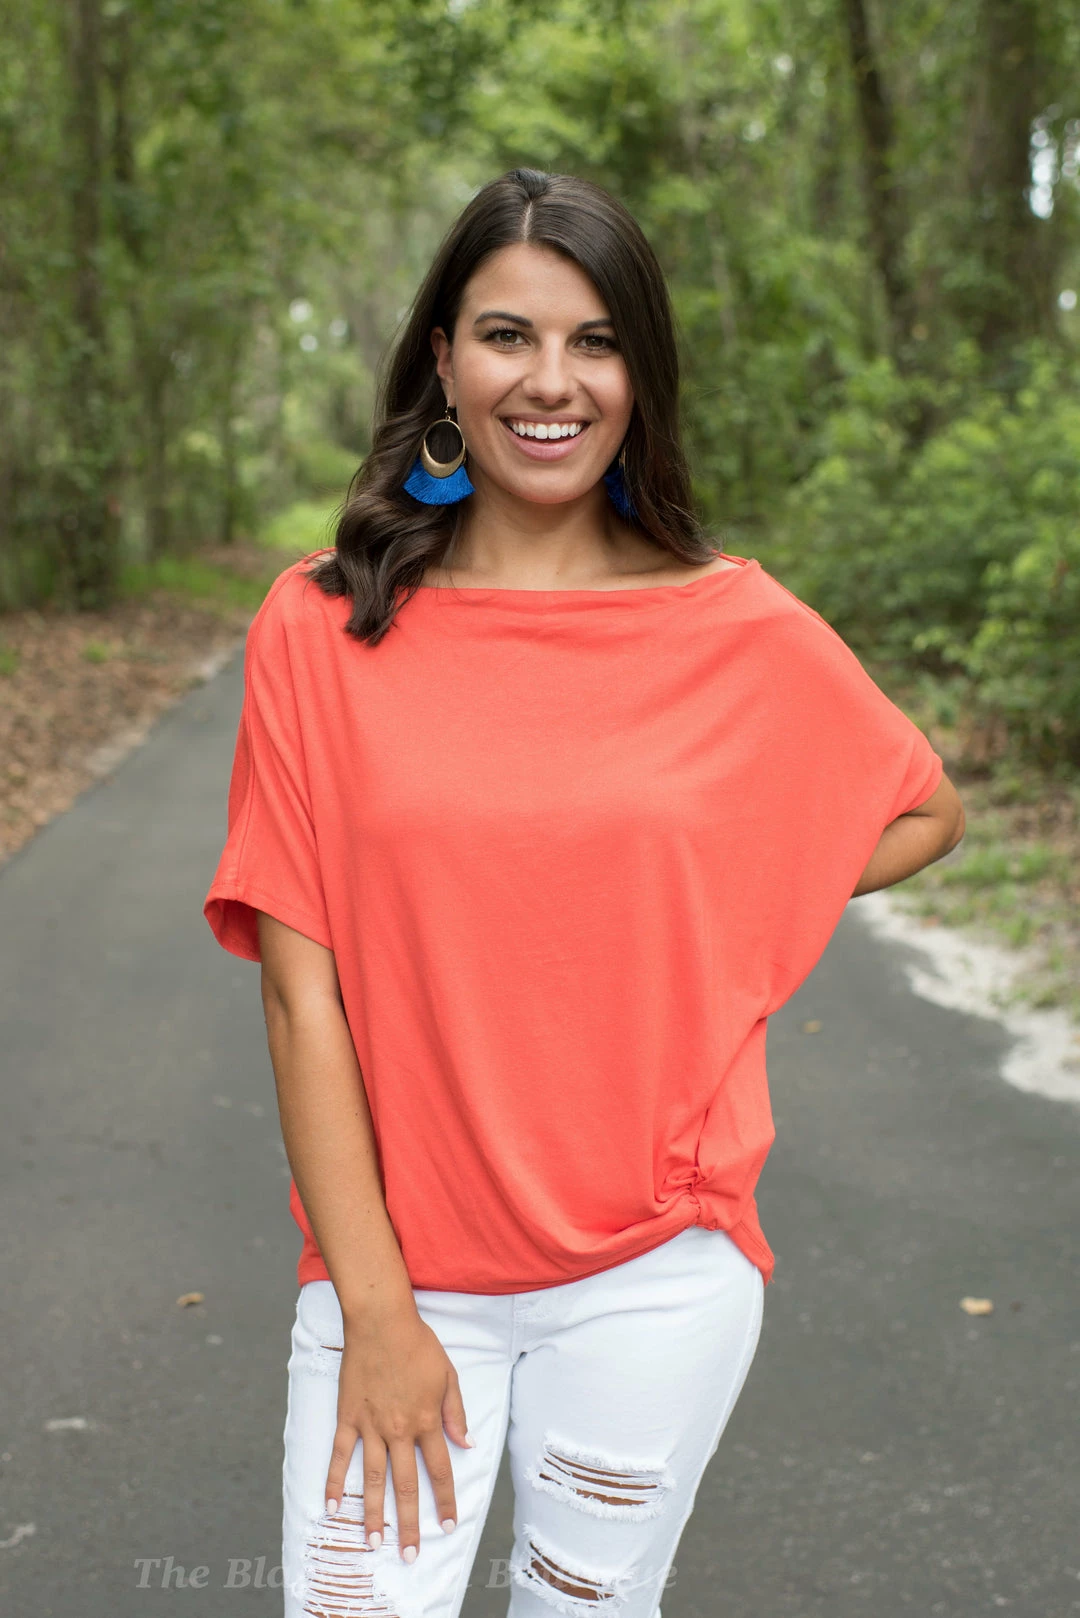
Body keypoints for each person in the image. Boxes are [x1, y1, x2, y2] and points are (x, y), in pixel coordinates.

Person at [203, 167, 964, 1618]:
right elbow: (303, 993)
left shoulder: (728, 622)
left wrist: (703, 920)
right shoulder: (319, 628)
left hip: (655, 1272)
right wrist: (376, 1308)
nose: (550, 382)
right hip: (396, 1268)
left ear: (640, 373)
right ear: (442, 356)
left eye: (596, 341)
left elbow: (919, 805)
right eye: (507, 335)